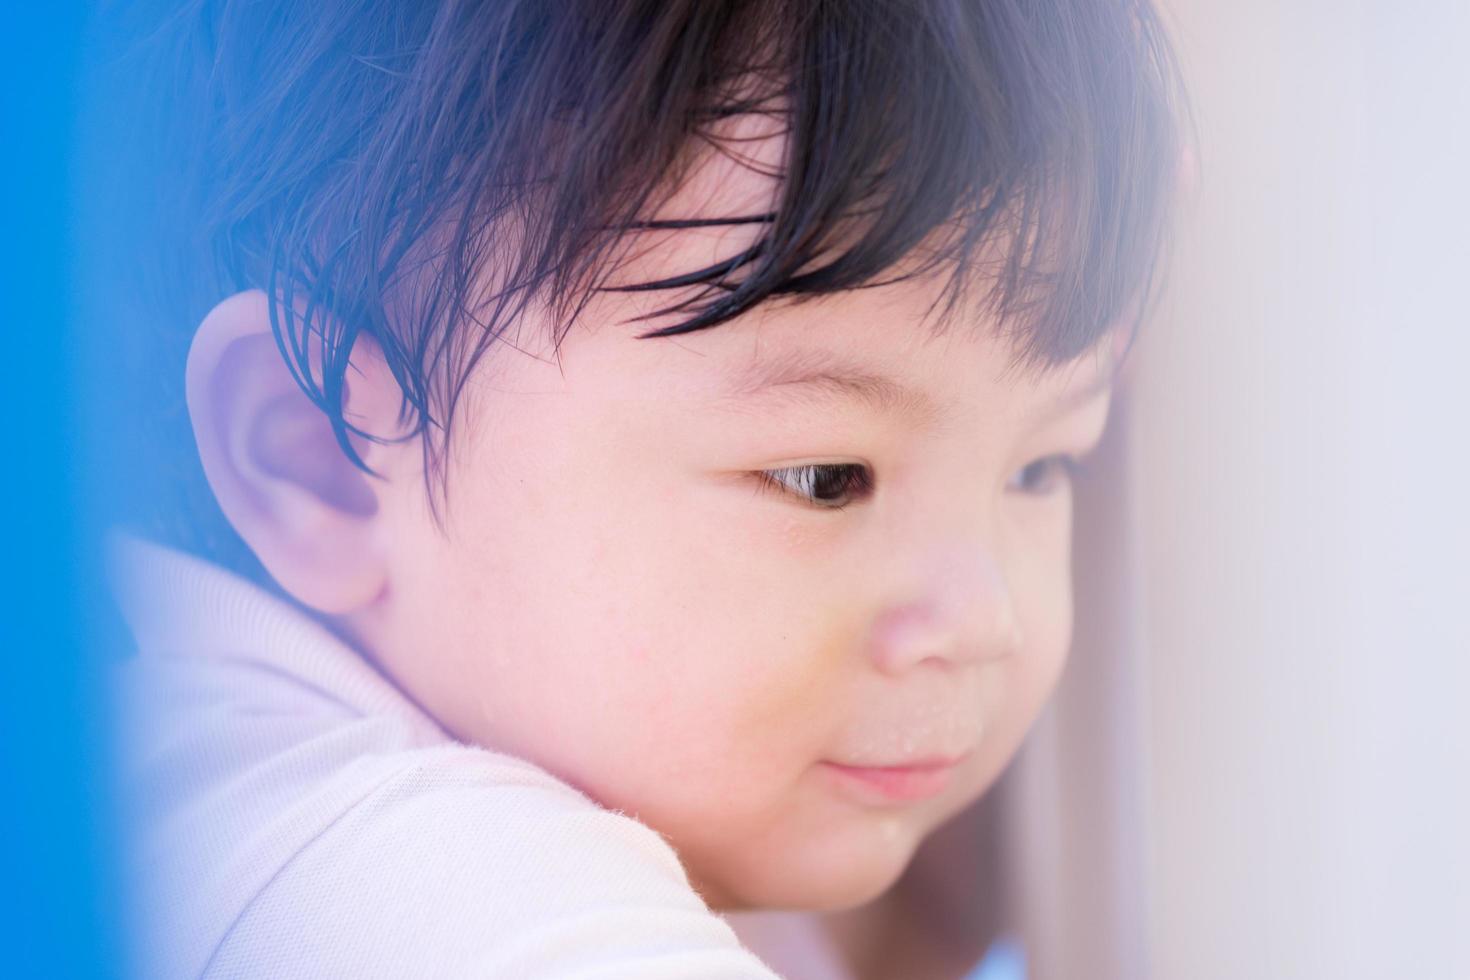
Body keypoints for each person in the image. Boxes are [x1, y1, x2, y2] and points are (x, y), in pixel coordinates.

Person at [100, 1, 1180, 976]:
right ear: (322, 458)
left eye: (1043, 464)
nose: (985, 615)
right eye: (823, 478)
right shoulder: (381, 866)